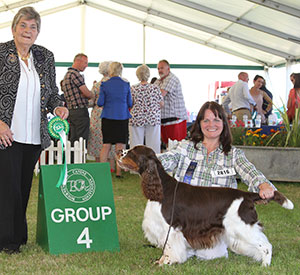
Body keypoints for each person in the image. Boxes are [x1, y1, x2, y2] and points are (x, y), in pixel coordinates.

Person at [0, 7, 69, 254]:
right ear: (14, 28)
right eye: (24, 26)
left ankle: (17, 236)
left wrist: (59, 107)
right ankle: (7, 240)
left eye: (33, 27)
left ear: (38, 33)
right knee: (7, 187)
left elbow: (50, 93)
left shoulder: (44, 57)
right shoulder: (1, 53)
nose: (28, 31)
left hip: (33, 134)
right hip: (6, 133)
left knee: (22, 186)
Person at [97, 62, 132, 177]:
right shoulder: (126, 85)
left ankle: (102, 172)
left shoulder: (104, 84)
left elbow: (100, 102)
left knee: (106, 145)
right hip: (122, 117)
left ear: (110, 70)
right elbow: (130, 103)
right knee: (120, 146)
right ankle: (118, 172)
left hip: (108, 117)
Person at [129, 64, 164, 154]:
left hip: (137, 118)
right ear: (148, 75)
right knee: (154, 145)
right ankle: (153, 165)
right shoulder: (155, 88)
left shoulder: (133, 88)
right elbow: (161, 103)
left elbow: (130, 103)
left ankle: (135, 165)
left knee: (136, 145)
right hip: (152, 117)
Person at [61, 53, 94, 145]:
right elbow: (87, 93)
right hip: (80, 111)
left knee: (74, 138)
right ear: (77, 61)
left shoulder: (67, 75)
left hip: (71, 110)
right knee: (81, 139)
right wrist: (92, 94)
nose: (86, 65)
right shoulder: (75, 74)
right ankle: (79, 159)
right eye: (85, 62)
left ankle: (72, 158)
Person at [155, 60, 187, 146]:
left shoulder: (171, 78)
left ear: (168, 69)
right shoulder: (158, 81)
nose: (160, 70)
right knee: (167, 146)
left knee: (176, 147)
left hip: (175, 119)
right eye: (158, 68)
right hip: (164, 119)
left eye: (162, 68)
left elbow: (160, 94)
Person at [87, 61, 111, 162]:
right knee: (110, 139)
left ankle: (99, 164)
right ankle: (112, 166)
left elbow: (90, 102)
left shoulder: (97, 85)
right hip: (110, 113)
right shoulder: (114, 84)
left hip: (97, 114)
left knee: (97, 140)